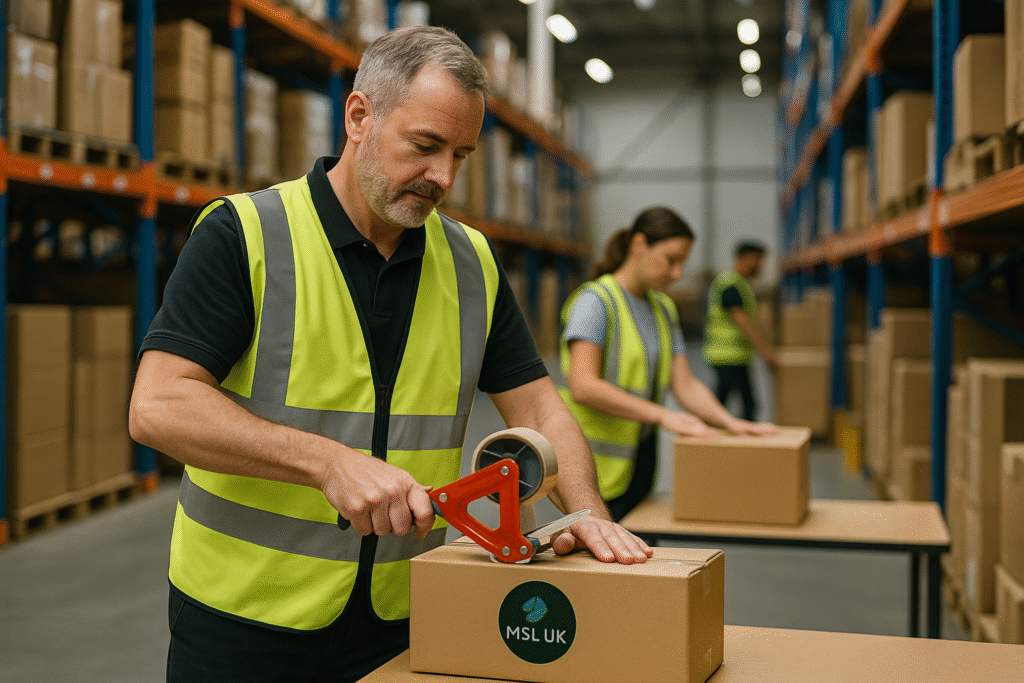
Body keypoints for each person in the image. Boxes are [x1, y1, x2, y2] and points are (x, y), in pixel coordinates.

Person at [128, 26, 650, 683]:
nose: (443, 177)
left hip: (404, 616)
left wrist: (586, 513)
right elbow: (157, 405)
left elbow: (543, 406)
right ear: (358, 116)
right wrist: (327, 462)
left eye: (462, 155)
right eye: (426, 146)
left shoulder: (470, 263)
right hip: (244, 619)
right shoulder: (247, 234)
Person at [559, 208, 778, 522]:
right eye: (670, 260)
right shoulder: (596, 302)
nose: (677, 273)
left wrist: (730, 423)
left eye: (682, 263)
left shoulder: (662, 307)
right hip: (592, 468)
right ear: (639, 245)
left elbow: (685, 384)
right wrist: (664, 415)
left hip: (641, 458)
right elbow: (583, 385)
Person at [703, 240, 781, 422]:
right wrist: (765, 351)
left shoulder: (739, 283)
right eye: (758, 260)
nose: (760, 266)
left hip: (734, 355)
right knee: (744, 405)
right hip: (728, 355)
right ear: (745, 259)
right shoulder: (730, 284)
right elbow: (742, 321)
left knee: (734, 403)